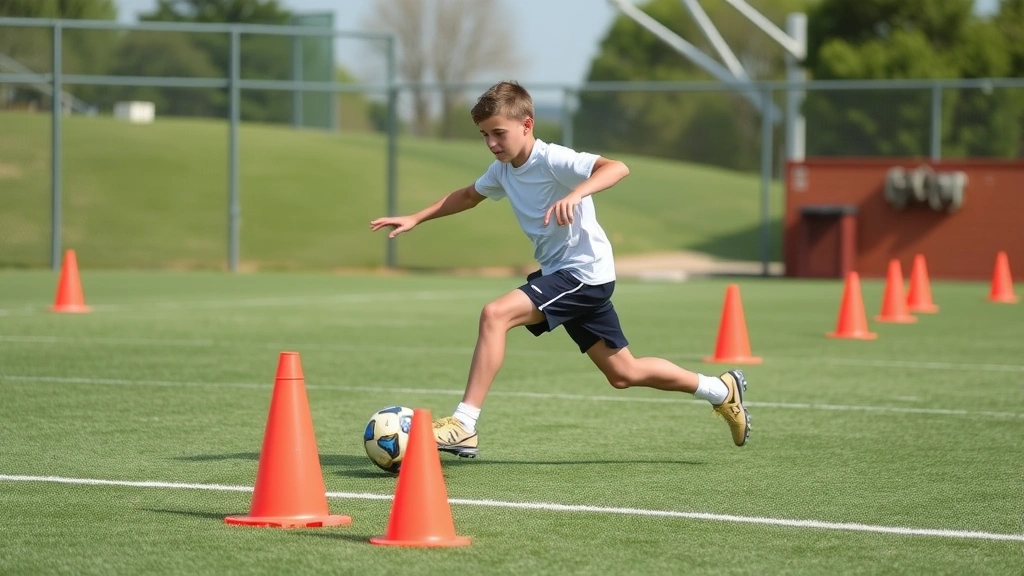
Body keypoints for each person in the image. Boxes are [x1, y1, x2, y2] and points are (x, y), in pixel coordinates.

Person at [369, 81, 750, 458]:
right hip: (573, 277)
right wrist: (416, 217)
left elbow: (617, 167)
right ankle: (721, 390)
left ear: (527, 124)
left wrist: (576, 192)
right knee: (624, 374)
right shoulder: (502, 171)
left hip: (581, 274)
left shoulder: (553, 160)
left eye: (499, 133)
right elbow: (468, 196)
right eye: (485, 135)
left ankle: (464, 425)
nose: (491, 143)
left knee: (495, 315)